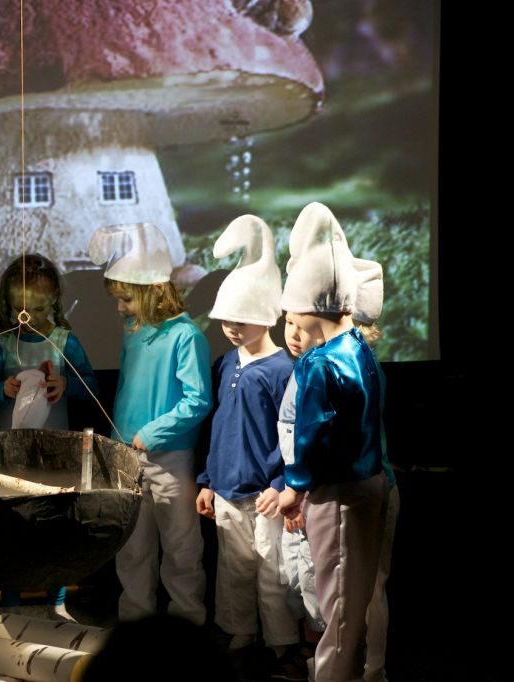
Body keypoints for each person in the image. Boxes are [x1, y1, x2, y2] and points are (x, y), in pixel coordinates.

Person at [276, 202, 397, 682]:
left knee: (340, 613)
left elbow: (313, 432)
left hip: (340, 496)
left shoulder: (321, 362)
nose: (289, 322)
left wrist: (294, 487)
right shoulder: (358, 348)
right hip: (368, 485)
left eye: (292, 314)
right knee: (355, 606)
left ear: (310, 306)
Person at [194, 215, 305, 680]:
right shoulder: (225, 363)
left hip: (265, 494)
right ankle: (240, 633)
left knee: (270, 571)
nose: (232, 328)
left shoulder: (283, 370)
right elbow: (218, 427)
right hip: (226, 488)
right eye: (226, 321)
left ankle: (281, 642)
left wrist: (281, 484)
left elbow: (292, 435)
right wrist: (206, 480)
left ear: (266, 315)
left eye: (240, 320)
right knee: (233, 567)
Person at [89, 222, 212, 626]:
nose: (120, 308)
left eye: (126, 299)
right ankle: (135, 622)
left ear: (153, 290)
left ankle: (187, 622)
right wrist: (117, 440)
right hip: (127, 457)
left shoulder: (186, 336)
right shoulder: (133, 331)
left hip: (170, 460)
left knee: (181, 547)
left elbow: (197, 400)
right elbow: (126, 391)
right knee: (132, 548)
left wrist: (152, 433)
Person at [0, 253, 100, 620]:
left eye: (37, 308)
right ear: (8, 303)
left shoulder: (65, 340)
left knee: (56, 524)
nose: (29, 316)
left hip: (54, 450)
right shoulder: (1, 342)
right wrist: (2, 388)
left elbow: (91, 386)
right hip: (8, 451)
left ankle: (57, 600)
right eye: (21, 308)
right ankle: (11, 602)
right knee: (8, 526)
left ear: (53, 301)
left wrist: (66, 384)